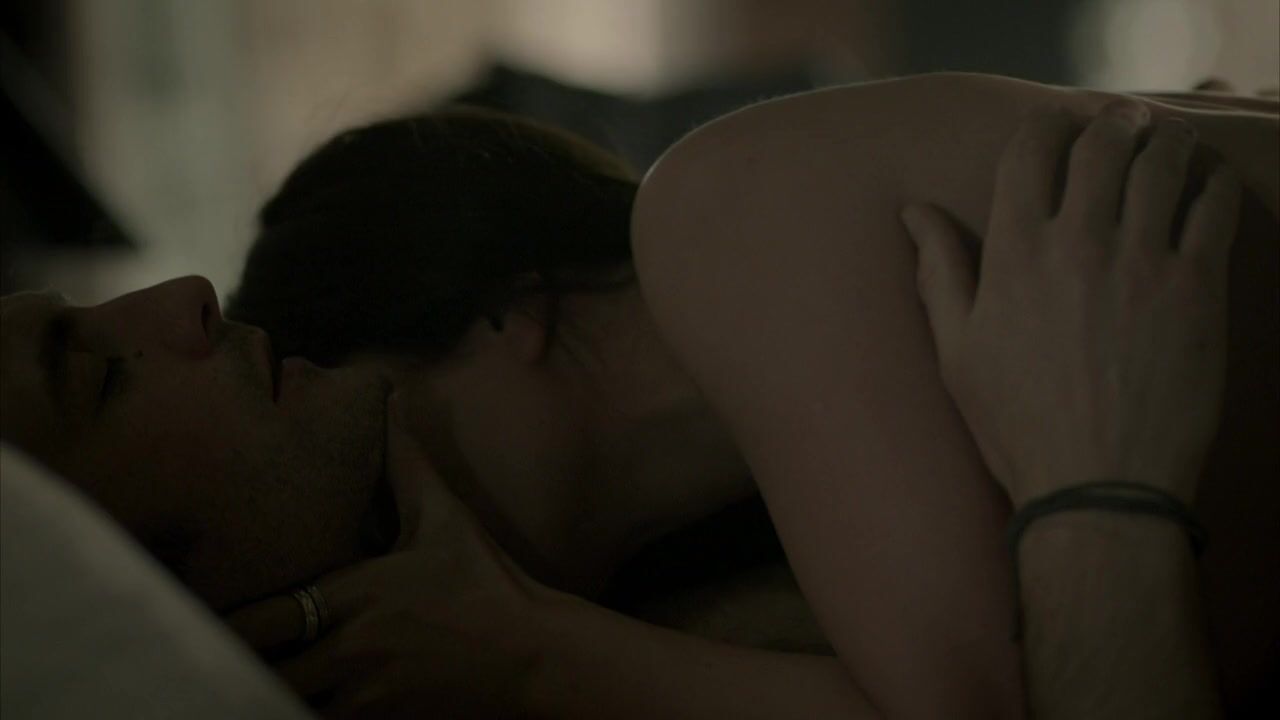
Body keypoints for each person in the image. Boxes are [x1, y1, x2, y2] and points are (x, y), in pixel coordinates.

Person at [0, 72, 1273, 716]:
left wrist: (540, 648)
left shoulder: (714, 214)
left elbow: (1002, 714)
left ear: (503, 308)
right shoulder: (768, 577)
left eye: (396, 445)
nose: (428, 547)